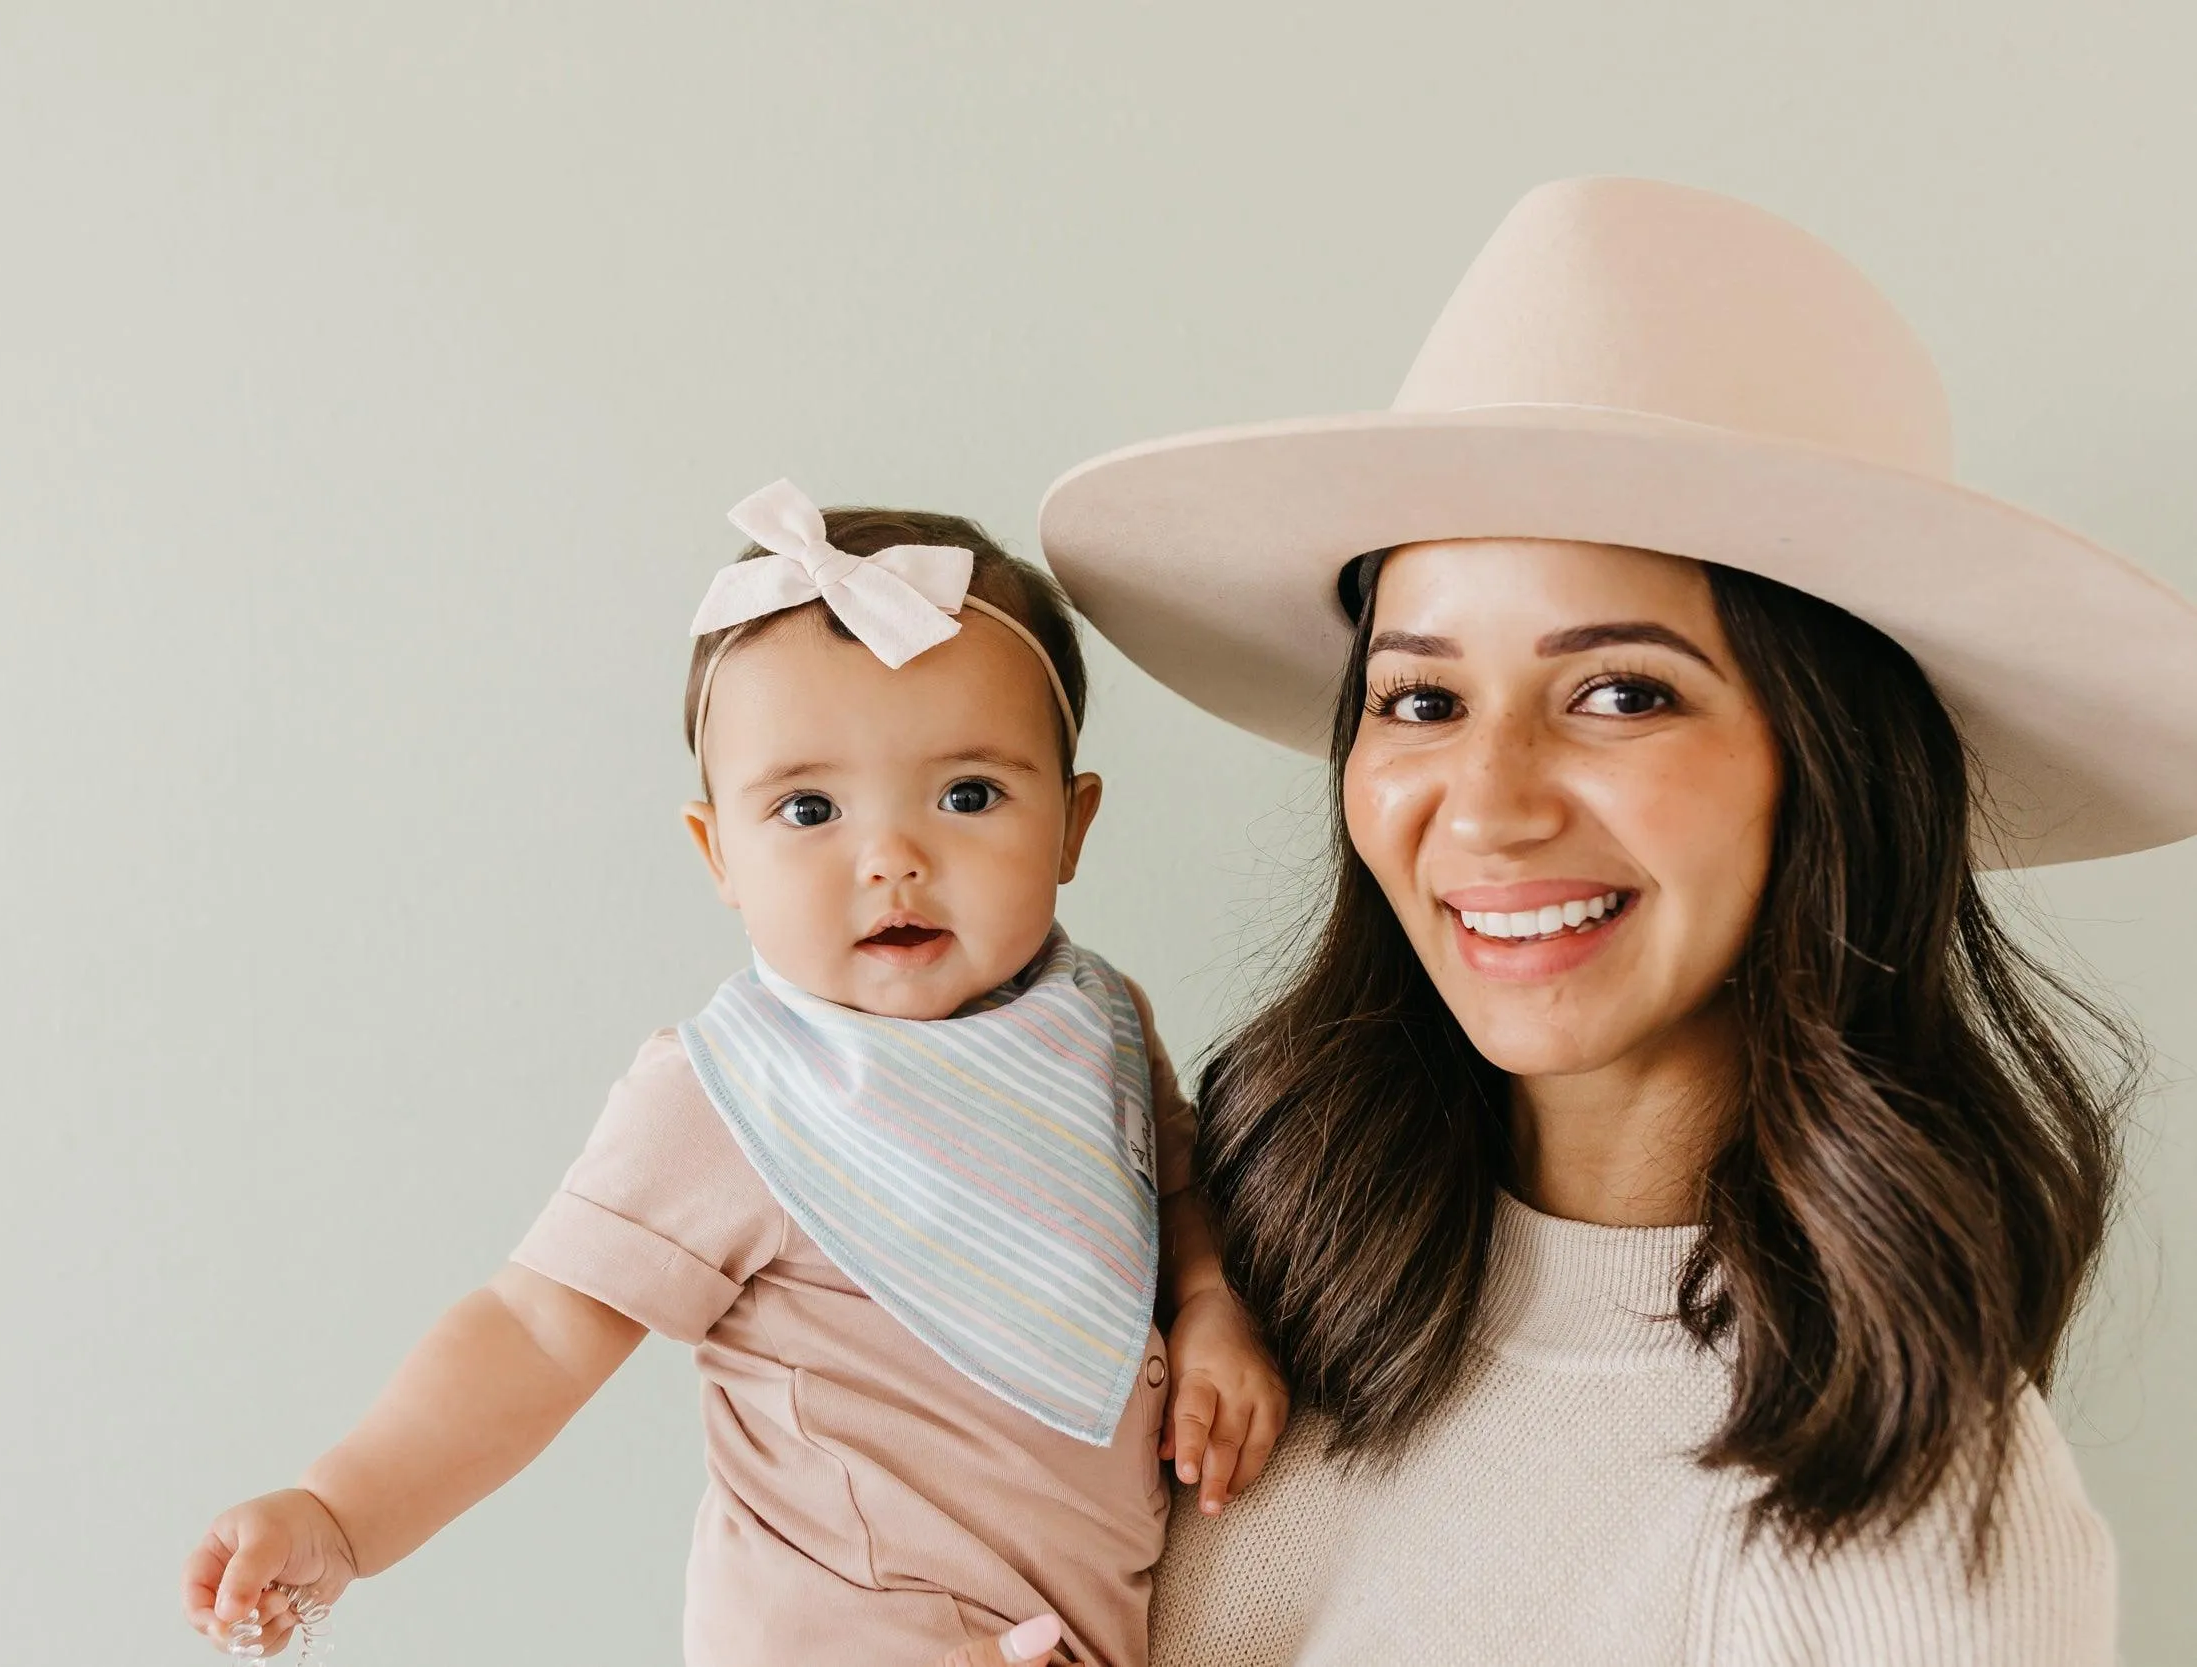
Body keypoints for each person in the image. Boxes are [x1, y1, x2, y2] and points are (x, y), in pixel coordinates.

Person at [869, 176, 2197, 1666]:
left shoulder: (1911, 1508)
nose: (1487, 804)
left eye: (1622, 692)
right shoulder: (1227, 1252)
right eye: (1421, 698)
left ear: (1826, 770)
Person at [179, 480, 1288, 1667]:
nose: (892, 858)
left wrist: (1213, 1301)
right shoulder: (732, 1093)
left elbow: (1170, 1199)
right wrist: (343, 1512)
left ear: (1071, 825)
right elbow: (536, 1325)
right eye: (808, 807)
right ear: (720, 851)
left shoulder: (1098, 1021)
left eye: (968, 793)